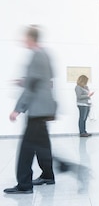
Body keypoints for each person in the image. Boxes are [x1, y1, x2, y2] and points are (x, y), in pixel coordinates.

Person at [5, 26, 58, 194]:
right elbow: (46, 80)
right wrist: (26, 81)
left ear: (30, 39)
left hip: (37, 109)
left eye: (24, 38)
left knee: (26, 148)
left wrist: (18, 109)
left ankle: (24, 185)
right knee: (42, 145)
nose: (22, 41)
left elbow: (32, 87)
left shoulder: (36, 56)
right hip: (44, 108)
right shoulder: (45, 54)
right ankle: (48, 175)